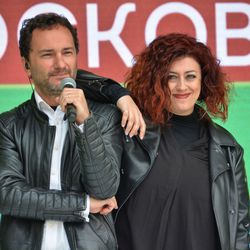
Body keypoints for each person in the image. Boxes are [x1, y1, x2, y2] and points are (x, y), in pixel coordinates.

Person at [77, 33, 250, 250]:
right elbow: (70, 78)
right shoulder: (132, 127)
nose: (181, 87)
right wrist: (120, 96)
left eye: (190, 76)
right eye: (171, 77)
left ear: (203, 80)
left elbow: (241, 227)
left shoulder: (228, 147)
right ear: (155, 81)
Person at [0, 13, 145, 250]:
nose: (60, 63)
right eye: (48, 54)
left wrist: (84, 124)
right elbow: (7, 194)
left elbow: (105, 188)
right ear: (26, 64)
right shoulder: (8, 124)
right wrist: (83, 205)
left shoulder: (105, 116)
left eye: (67, 52)